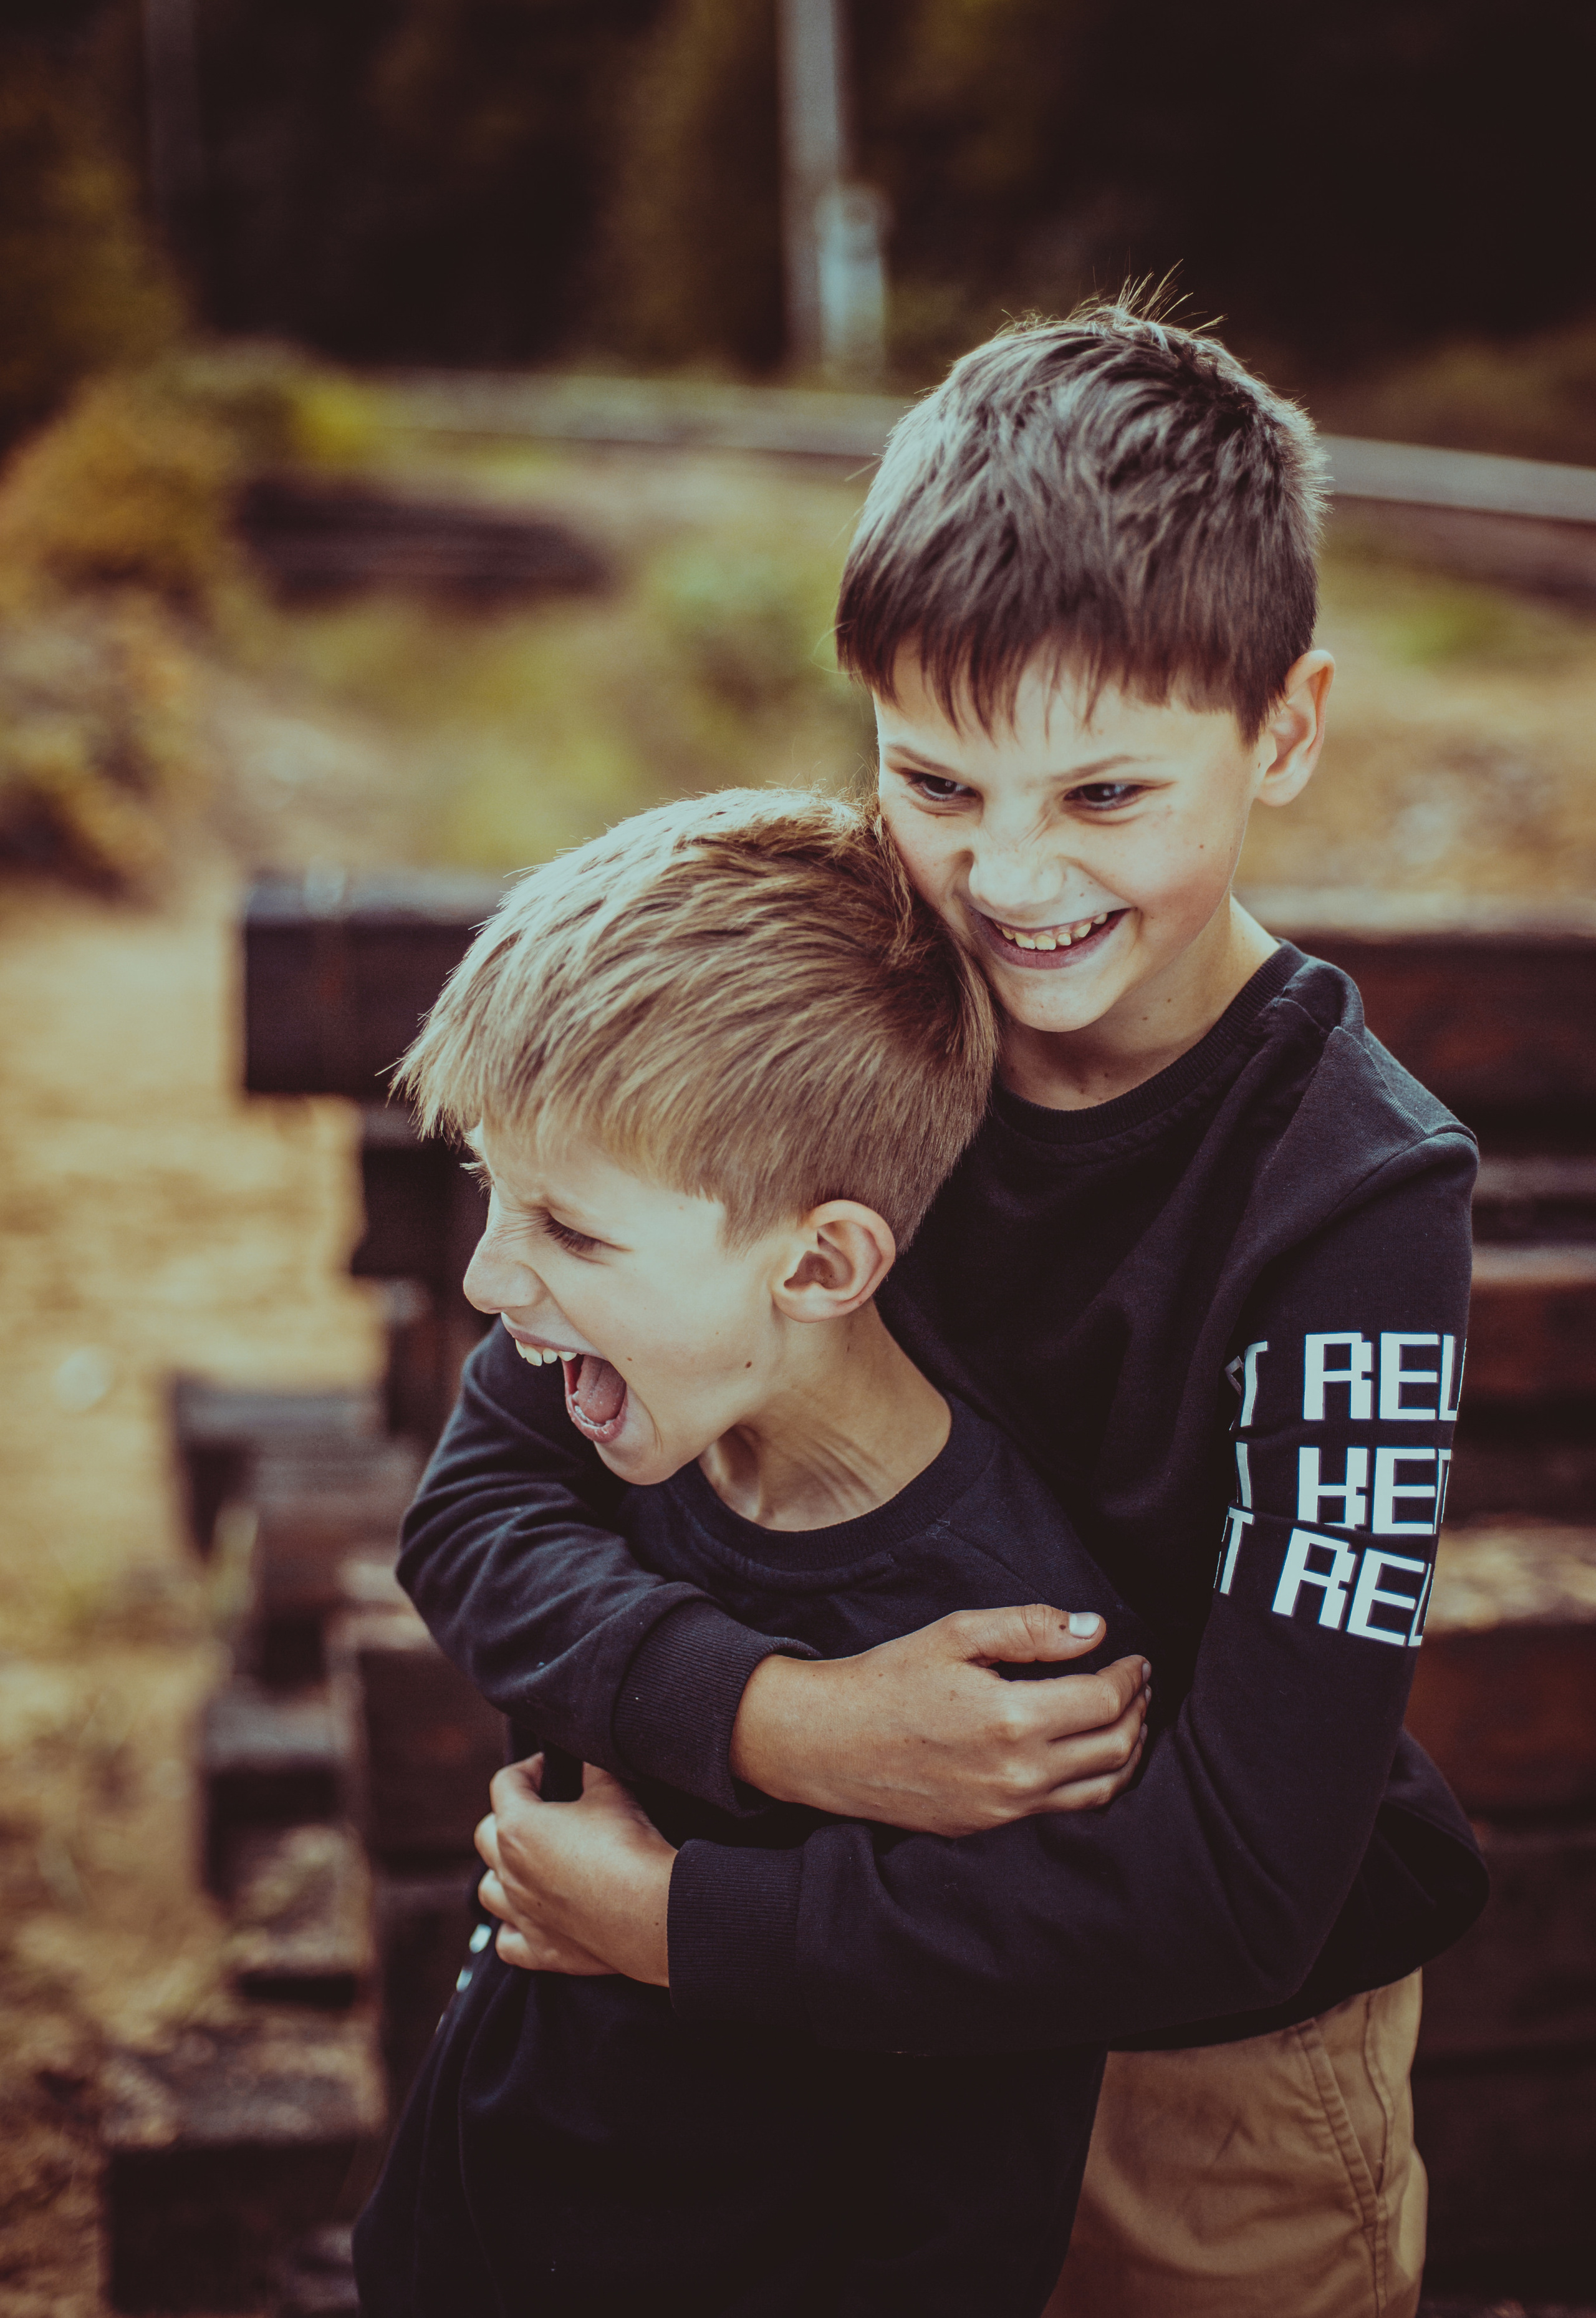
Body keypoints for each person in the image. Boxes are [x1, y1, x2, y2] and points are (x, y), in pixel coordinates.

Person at [397, 301, 1488, 2318]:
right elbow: (479, 1505)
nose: (1005, 880)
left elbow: (1244, 1894)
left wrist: (691, 1927)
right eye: (934, 778)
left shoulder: (1352, 1204)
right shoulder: (847, 1025)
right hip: (812, 2077)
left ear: (1288, 730)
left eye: (1104, 798)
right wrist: (781, 1724)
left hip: (1196, 2094)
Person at [352, 786, 1156, 2318]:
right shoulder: (607, 1392)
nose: (485, 1274)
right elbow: (461, 1526)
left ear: (821, 1261)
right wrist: (767, 1716)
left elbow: (971, 2156)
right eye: (490, 1190)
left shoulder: (1007, 1663)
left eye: (573, 1233)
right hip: (469, 2226)